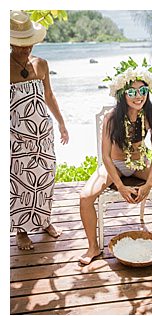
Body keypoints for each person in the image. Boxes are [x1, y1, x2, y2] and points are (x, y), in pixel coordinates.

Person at [78, 59, 152, 265]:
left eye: (142, 90)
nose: (138, 96)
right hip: (114, 166)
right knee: (85, 197)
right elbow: (106, 156)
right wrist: (119, 186)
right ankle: (93, 247)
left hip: (140, 164)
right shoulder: (112, 117)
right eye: (132, 92)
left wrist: (148, 184)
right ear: (122, 94)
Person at [10, 10, 69, 251]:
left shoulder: (42, 64)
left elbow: (49, 95)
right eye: (20, 46)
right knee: (20, 180)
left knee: (45, 177)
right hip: (16, 135)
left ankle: (44, 220)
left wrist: (62, 123)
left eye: (28, 45)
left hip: (43, 133)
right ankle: (21, 230)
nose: (25, 50)